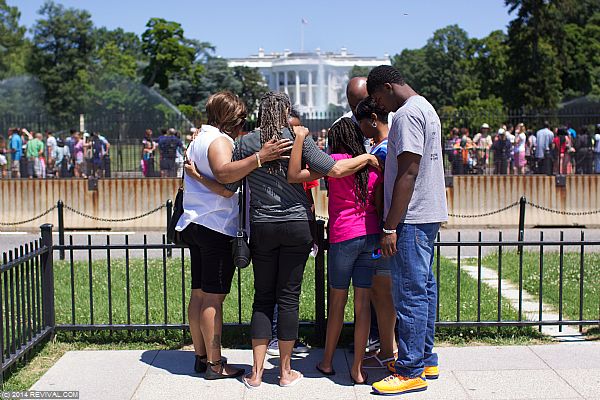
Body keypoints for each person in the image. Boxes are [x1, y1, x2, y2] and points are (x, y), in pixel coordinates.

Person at [225, 92, 378, 389]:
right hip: (295, 224)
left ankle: (255, 373)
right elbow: (332, 169)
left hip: (262, 225)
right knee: (288, 297)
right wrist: (367, 157)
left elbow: (230, 182)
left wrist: (256, 162)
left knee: (263, 297)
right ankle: (284, 372)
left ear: (260, 113)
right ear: (285, 114)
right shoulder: (298, 138)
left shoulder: (245, 142)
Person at [175, 91, 295, 381]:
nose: (243, 122)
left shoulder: (199, 137)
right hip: (215, 226)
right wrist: (259, 157)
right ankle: (215, 365)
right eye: (240, 117)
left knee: (199, 294)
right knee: (213, 299)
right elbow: (226, 175)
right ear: (229, 116)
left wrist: (202, 179)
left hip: (195, 221)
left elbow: (211, 177)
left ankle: (201, 356)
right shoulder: (218, 141)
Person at [366, 65, 448, 395]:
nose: (379, 106)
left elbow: (409, 172)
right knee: (424, 287)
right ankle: (425, 357)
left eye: (377, 98)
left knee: (410, 292)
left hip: (410, 216)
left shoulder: (406, 114)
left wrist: (389, 225)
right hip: (427, 211)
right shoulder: (426, 107)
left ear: (387, 87)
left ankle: (410, 368)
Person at [294, 118, 381, 385]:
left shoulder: (333, 161)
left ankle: (328, 361)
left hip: (343, 235)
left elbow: (305, 176)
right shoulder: (371, 162)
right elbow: (378, 200)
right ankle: (357, 367)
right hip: (370, 233)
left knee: (337, 302)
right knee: (363, 304)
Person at [354, 97, 398, 371]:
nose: (361, 131)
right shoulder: (382, 147)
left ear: (372, 118)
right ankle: (386, 348)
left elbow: (381, 192)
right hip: (381, 227)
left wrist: (384, 227)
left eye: (362, 124)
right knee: (378, 292)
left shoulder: (382, 151)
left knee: (382, 292)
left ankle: (388, 350)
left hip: (380, 229)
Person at [266, 107, 312, 358]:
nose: (292, 134)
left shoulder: (303, 154)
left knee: (288, 289)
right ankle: (277, 337)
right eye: (289, 129)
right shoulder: (270, 153)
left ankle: (285, 338)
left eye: (295, 129)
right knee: (274, 288)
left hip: (295, 222)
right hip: (275, 222)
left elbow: (309, 193)